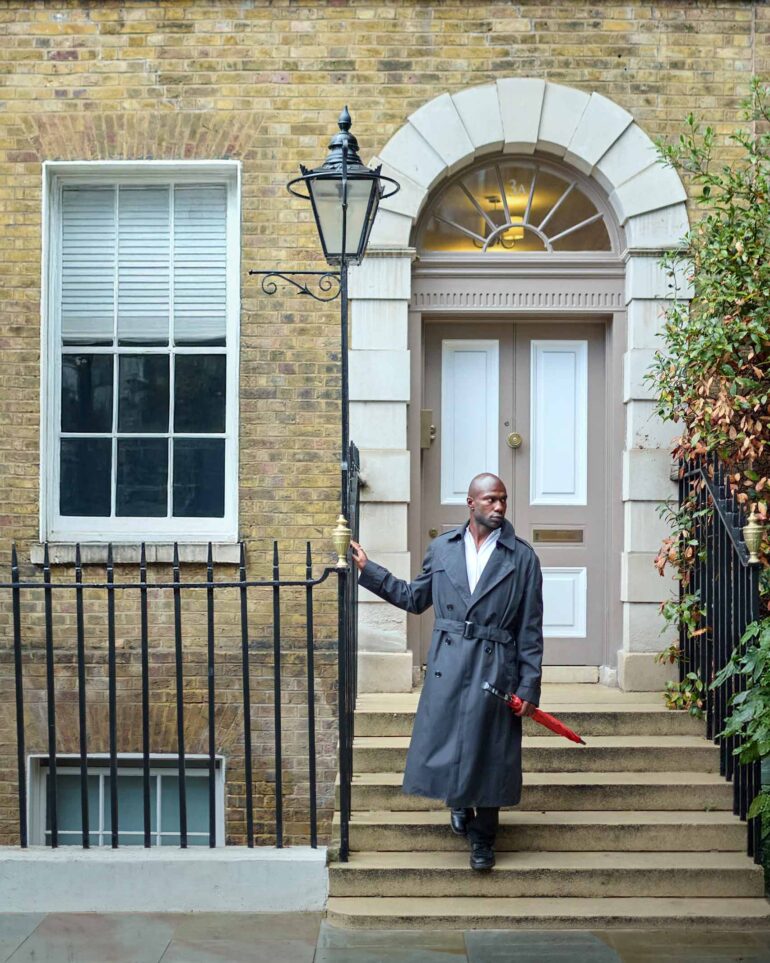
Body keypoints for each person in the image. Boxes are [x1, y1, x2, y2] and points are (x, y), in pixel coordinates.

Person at [350, 472, 544, 872]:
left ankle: (483, 839)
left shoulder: (522, 558)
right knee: (452, 739)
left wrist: (529, 686)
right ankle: (457, 801)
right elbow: (413, 597)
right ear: (470, 504)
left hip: (496, 663)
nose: (499, 507)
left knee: (489, 751)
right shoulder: (442, 550)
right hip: (449, 661)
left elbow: (530, 629)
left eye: (503, 500)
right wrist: (369, 571)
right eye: (491, 500)